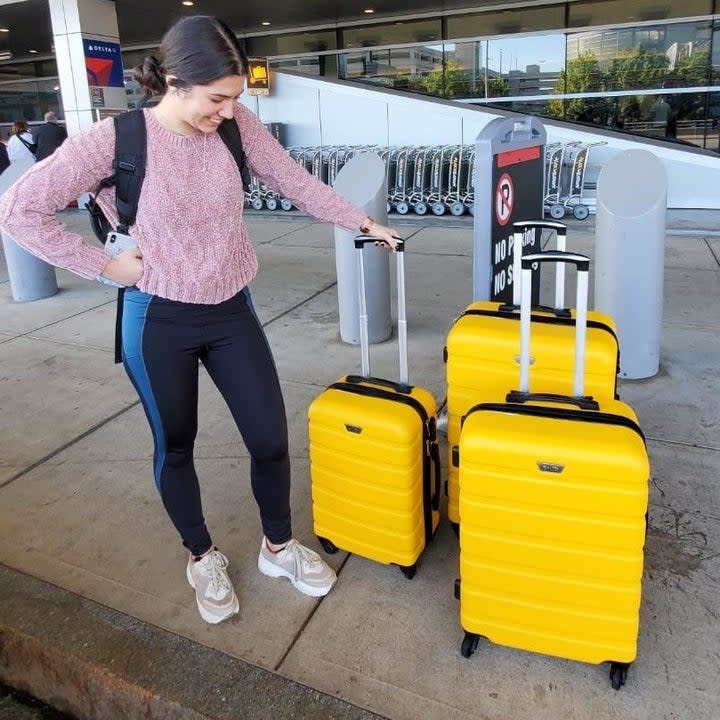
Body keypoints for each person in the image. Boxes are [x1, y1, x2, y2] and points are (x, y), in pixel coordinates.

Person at [0, 15, 400, 625]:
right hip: (157, 316)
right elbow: (20, 209)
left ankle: (278, 546)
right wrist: (105, 266)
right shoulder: (114, 141)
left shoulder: (236, 124)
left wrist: (363, 223)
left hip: (231, 308)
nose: (227, 111)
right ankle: (202, 555)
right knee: (176, 444)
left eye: (235, 98)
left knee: (269, 437)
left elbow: (289, 178)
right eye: (217, 99)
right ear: (175, 82)